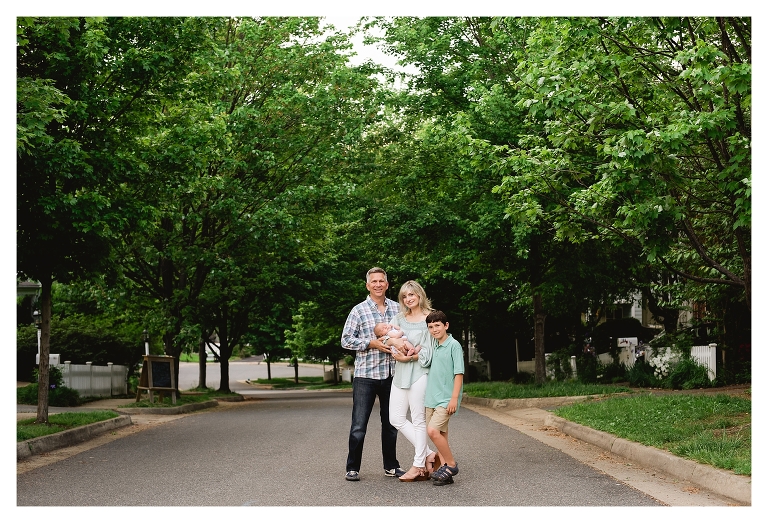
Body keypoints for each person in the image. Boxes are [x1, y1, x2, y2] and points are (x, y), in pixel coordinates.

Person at [341, 267, 404, 481]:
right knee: (359, 425)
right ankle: (352, 467)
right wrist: (371, 343)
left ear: (387, 285)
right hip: (365, 376)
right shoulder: (358, 310)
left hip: (392, 375)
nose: (378, 284)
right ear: (368, 285)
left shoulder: (398, 309)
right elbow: (346, 340)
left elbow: (408, 335)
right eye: (373, 281)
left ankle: (391, 466)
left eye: (381, 281)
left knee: (391, 423)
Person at [384, 280, 441, 482]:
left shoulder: (429, 318)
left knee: (418, 420)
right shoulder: (398, 318)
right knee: (395, 418)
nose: (408, 299)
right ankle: (429, 455)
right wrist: (393, 342)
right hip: (400, 372)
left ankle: (418, 465)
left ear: (419, 295)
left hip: (420, 372)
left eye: (412, 295)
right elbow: (386, 338)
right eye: (404, 296)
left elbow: (431, 350)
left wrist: (410, 357)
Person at [422, 310, 464, 486]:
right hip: (431, 398)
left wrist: (454, 398)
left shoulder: (454, 345)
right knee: (441, 435)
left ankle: (451, 464)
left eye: (437, 325)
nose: (434, 330)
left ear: (446, 326)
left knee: (432, 431)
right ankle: (446, 471)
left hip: (446, 399)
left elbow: (459, 373)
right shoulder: (434, 345)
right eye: (430, 327)